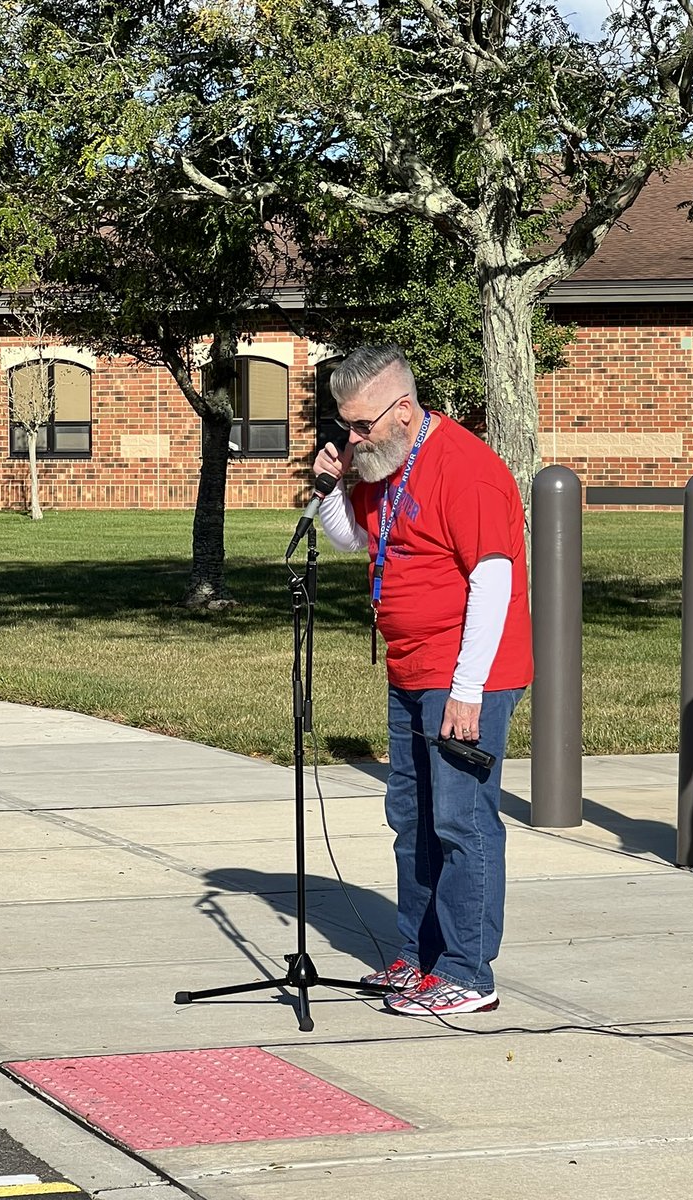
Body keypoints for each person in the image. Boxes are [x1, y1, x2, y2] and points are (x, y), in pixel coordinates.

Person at [312, 344, 532, 1015]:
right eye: (344, 426)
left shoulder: (466, 471)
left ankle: (468, 971)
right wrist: (331, 489)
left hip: (467, 675)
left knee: (461, 822)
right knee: (411, 820)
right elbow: (359, 540)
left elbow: (492, 581)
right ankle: (419, 956)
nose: (351, 439)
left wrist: (467, 690)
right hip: (410, 667)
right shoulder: (384, 462)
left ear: (404, 409)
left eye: (361, 426)